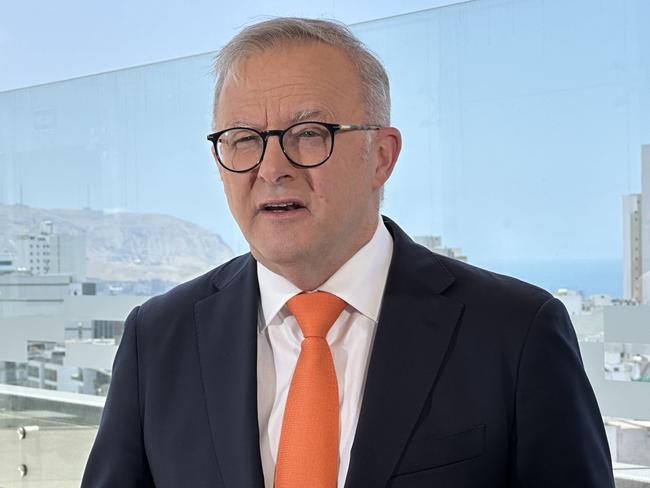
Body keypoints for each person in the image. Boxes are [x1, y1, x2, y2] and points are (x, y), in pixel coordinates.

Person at [81, 17, 615, 488]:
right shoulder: (158, 337)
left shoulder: (516, 331)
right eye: (243, 139)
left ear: (381, 156)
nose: (272, 168)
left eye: (309, 133)